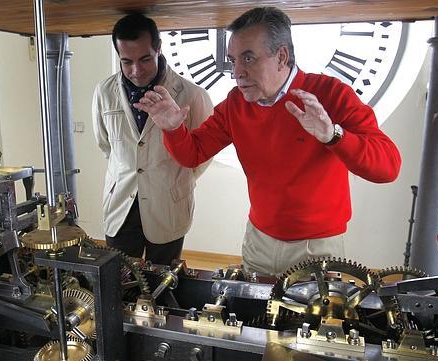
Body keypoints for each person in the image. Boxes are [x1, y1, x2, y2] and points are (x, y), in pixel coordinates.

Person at [134, 7, 401, 275]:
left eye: (248, 59)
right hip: (258, 242)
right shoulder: (235, 103)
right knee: (254, 316)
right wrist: (172, 129)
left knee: (311, 318)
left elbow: (388, 167)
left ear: (281, 56)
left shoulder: (331, 95)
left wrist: (333, 136)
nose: (237, 72)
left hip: (316, 248)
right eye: (233, 60)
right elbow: (193, 154)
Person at [92, 13, 213, 265]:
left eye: (145, 59)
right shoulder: (104, 92)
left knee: (164, 282)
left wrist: (176, 180)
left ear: (158, 48)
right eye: (126, 61)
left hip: (168, 205)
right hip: (120, 207)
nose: (136, 71)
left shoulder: (192, 95)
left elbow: (202, 155)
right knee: (120, 282)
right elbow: (105, 144)